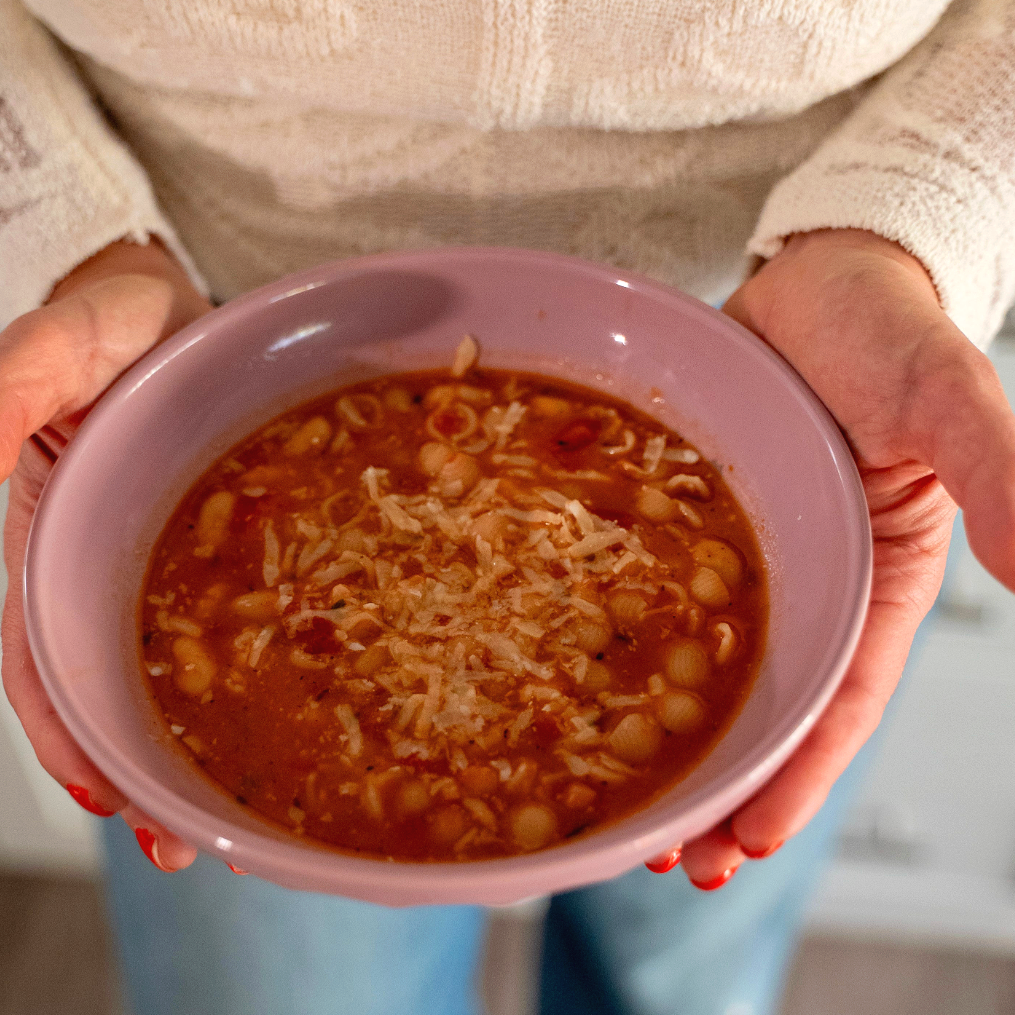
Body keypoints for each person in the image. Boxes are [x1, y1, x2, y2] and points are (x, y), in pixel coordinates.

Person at [2, 0, 1015, 1012]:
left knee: (673, 979)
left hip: (799, 401)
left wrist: (912, 216)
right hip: (176, 370)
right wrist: (66, 237)